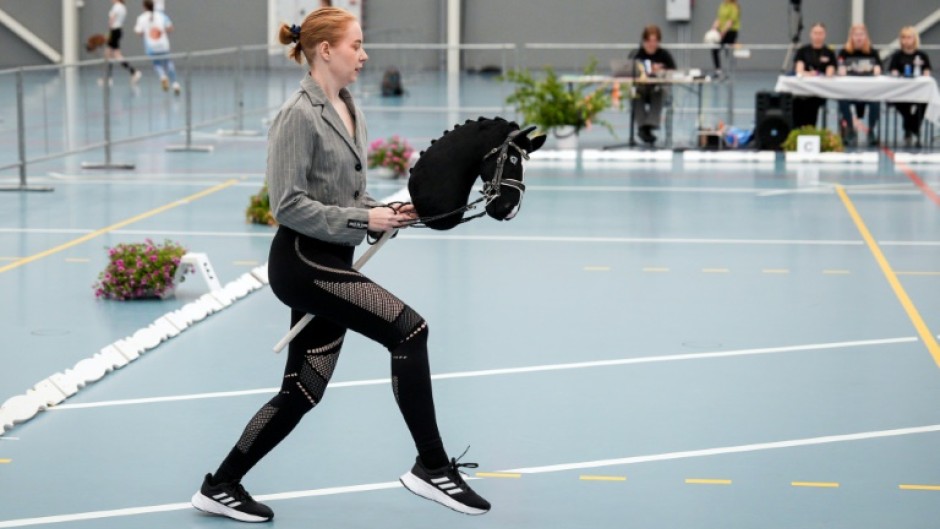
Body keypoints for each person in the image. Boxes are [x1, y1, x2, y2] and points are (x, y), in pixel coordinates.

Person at [189, 6, 490, 523]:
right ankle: (433, 467)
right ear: (325, 50)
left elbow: (345, 196)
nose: (364, 55)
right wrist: (364, 218)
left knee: (302, 390)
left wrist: (388, 211)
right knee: (409, 330)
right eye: (356, 44)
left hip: (332, 260)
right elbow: (287, 205)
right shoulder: (298, 115)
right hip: (302, 262)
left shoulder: (349, 107)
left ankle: (221, 485)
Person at [886, 26, 933, 148]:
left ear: (914, 39)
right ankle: (913, 128)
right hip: (901, 91)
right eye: (904, 37)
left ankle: (910, 128)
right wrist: (895, 73)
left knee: (925, 102)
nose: (906, 40)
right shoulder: (897, 56)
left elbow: (927, 70)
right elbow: (892, 70)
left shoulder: (922, 55)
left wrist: (926, 73)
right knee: (900, 102)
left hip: (918, 91)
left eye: (909, 37)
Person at [836, 23, 882, 146]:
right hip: (849, 92)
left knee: (876, 101)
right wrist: (841, 70)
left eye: (861, 34)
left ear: (865, 36)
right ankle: (850, 128)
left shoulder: (872, 52)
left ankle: (871, 130)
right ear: (851, 36)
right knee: (841, 100)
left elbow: (879, 68)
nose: (859, 37)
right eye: (856, 35)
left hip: (868, 92)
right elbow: (839, 67)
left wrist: (877, 69)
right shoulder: (844, 52)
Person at [630, 24, 676, 145]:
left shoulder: (664, 55)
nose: (652, 44)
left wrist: (661, 70)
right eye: (649, 41)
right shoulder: (637, 54)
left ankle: (648, 126)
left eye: (655, 41)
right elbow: (630, 70)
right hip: (642, 88)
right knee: (635, 94)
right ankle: (643, 127)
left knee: (658, 92)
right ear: (644, 41)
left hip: (657, 88)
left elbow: (673, 71)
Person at [792, 22, 837, 128]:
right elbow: (799, 70)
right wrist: (808, 74)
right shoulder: (802, 51)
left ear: (824, 35)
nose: (818, 36)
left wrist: (821, 75)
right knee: (796, 102)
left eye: (820, 33)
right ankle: (796, 129)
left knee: (812, 103)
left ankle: (810, 129)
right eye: (815, 33)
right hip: (803, 90)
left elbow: (830, 71)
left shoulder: (829, 52)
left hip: (819, 91)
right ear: (811, 34)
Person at [134, 0, 180, 95]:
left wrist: (146, 32)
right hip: (163, 44)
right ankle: (175, 84)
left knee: (157, 63)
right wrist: (163, 32)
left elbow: (138, 32)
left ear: (144, 7)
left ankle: (162, 77)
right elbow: (170, 28)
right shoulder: (162, 16)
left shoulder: (141, 18)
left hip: (151, 46)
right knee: (168, 62)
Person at [104, 0, 141, 85]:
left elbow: (111, 20)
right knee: (113, 54)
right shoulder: (123, 7)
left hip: (114, 31)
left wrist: (109, 33)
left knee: (111, 54)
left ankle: (133, 72)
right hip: (118, 31)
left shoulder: (116, 6)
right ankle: (132, 72)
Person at [710, 0, 740, 74]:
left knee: (728, 50)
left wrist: (723, 33)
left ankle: (729, 70)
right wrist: (713, 29)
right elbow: (719, 19)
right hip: (721, 31)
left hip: (731, 32)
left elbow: (730, 22)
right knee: (715, 49)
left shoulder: (734, 7)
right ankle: (718, 70)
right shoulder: (722, 6)